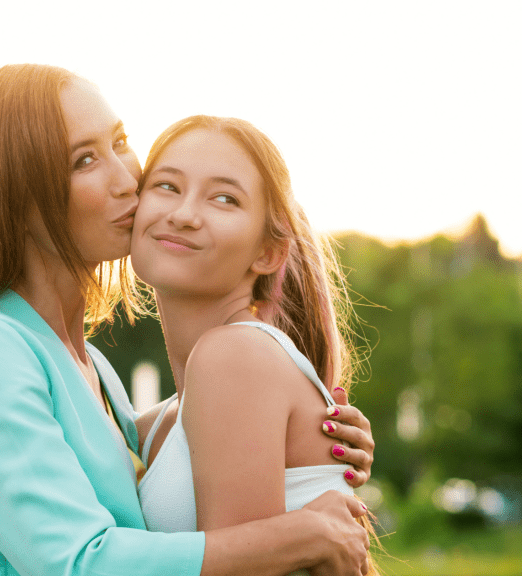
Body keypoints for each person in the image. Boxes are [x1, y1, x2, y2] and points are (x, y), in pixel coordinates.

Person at [0, 63, 375, 576]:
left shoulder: (92, 366)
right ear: (14, 195)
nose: (128, 178)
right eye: (85, 160)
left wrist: (307, 430)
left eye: (121, 141)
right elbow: (80, 564)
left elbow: (191, 431)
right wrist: (301, 533)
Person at [130, 116, 380, 575]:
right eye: (166, 186)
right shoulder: (155, 425)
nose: (184, 213)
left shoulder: (234, 356)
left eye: (224, 198)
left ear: (267, 253)